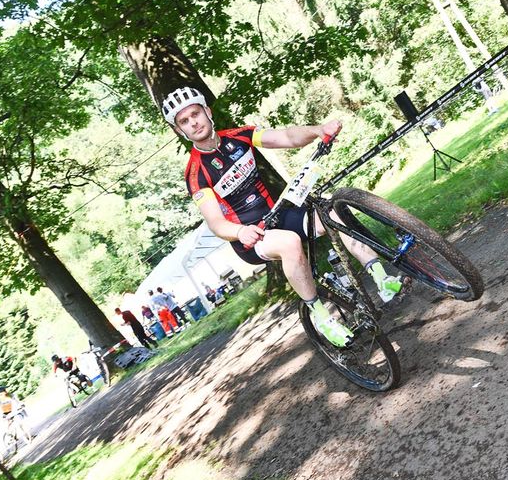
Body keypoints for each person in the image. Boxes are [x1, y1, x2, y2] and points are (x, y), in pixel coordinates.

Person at [163, 86, 403, 348]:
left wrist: (318, 130)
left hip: (278, 215)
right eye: (184, 121)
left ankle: (382, 278)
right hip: (250, 236)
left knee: (333, 213)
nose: (193, 122)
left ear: (207, 112)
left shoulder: (240, 136)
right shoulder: (196, 173)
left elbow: (287, 136)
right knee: (289, 243)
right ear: (179, 130)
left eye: (195, 114)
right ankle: (322, 317)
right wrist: (240, 231)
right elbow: (216, 223)